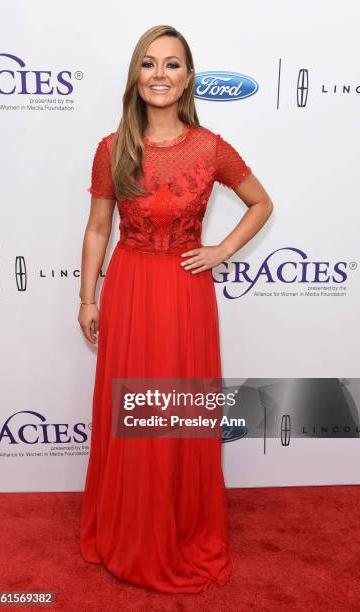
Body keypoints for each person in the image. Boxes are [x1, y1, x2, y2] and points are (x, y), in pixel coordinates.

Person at [78, 24, 273, 594]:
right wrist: (87, 297)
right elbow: (96, 229)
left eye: (171, 64)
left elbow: (261, 203)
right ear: (135, 77)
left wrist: (222, 250)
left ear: (188, 77)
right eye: (148, 64)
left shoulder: (211, 147)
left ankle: (179, 528)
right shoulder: (112, 149)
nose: (159, 75)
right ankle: (131, 529)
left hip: (186, 292)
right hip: (132, 287)